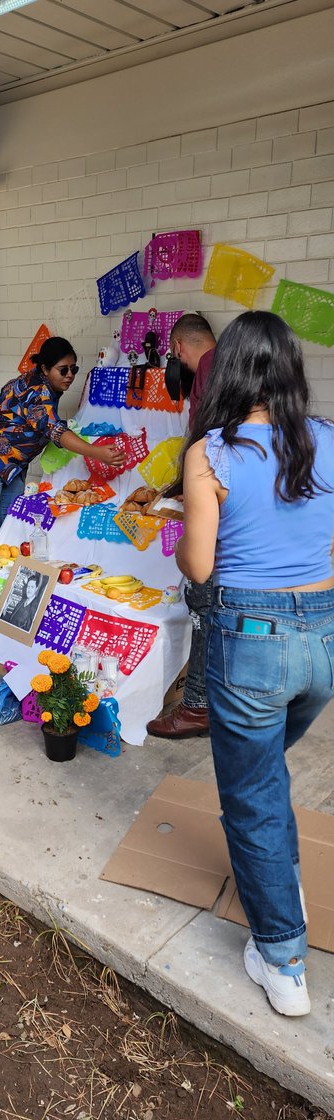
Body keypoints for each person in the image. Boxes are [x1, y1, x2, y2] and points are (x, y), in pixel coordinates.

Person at [174, 310, 334, 1017]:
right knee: (264, 773)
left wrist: (186, 539)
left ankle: (282, 958)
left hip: (252, 642)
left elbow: (201, 567)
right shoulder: (327, 440)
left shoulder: (211, 453)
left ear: (230, 371)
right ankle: (281, 881)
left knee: (252, 797)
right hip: (324, 642)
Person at [0, 336, 126, 543]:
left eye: (73, 369)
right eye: (63, 369)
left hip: (12, 463)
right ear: (45, 369)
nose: (69, 376)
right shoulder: (36, 391)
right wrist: (97, 453)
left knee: (10, 525)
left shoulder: (46, 385)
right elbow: (54, 430)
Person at [147, 313, 216, 738]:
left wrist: (189, 487)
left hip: (215, 497)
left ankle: (195, 708)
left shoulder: (209, 366)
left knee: (203, 601)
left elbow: (208, 435)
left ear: (177, 348)